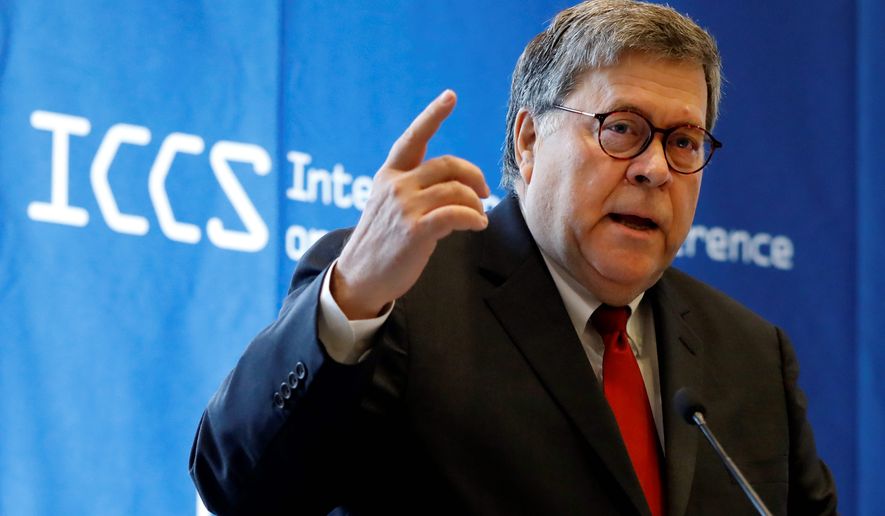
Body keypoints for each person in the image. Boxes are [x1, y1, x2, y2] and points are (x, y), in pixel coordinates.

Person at [189, 1, 838, 514]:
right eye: (621, 129)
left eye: (683, 141)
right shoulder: (397, 300)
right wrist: (352, 298)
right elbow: (241, 492)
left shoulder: (751, 356)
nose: (653, 169)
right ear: (528, 140)